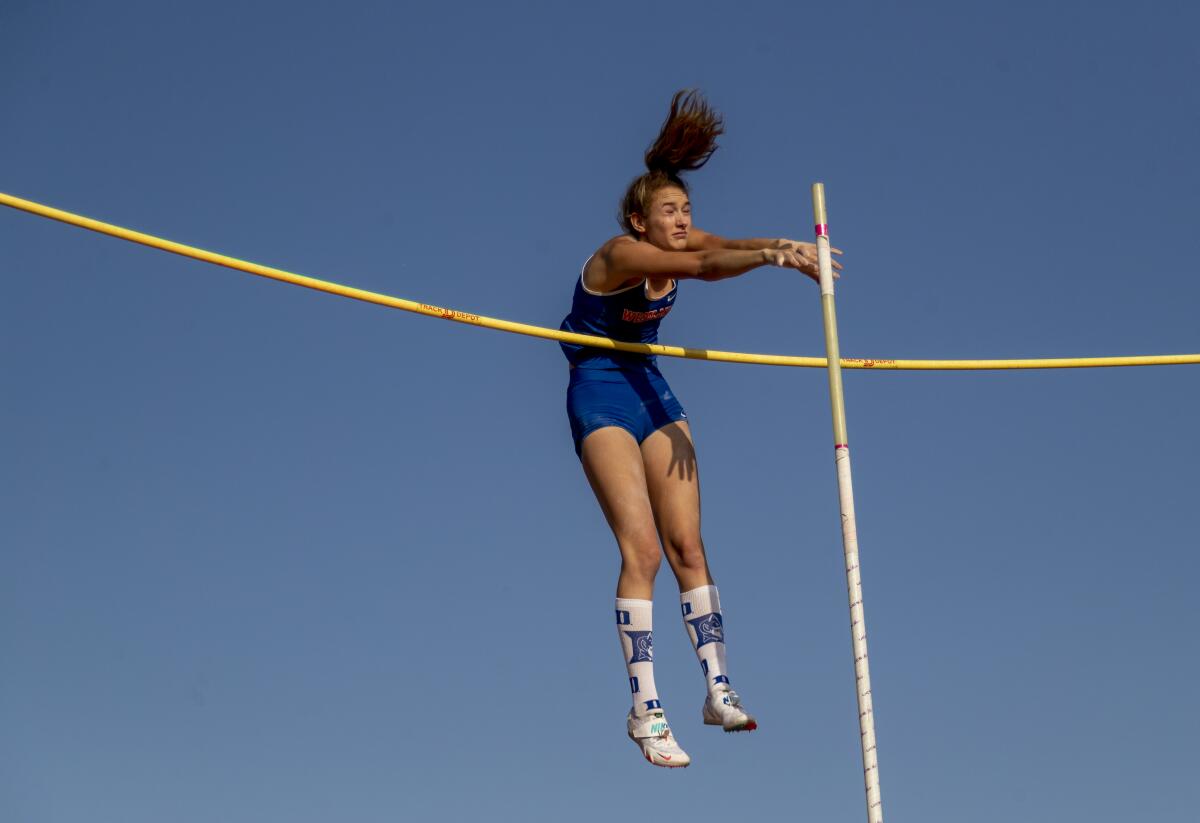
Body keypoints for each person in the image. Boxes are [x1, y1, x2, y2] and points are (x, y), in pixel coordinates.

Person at [559, 89, 841, 768]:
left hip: (650, 387)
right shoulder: (622, 255)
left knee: (687, 542)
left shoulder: (681, 238)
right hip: (601, 392)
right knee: (645, 551)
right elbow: (705, 267)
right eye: (669, 212)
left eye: (687, 210)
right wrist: (775, 258)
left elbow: (723, 247)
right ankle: (645, 707)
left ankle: (717, 686)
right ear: (638, 221)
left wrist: (785, 247)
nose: (683, 220)